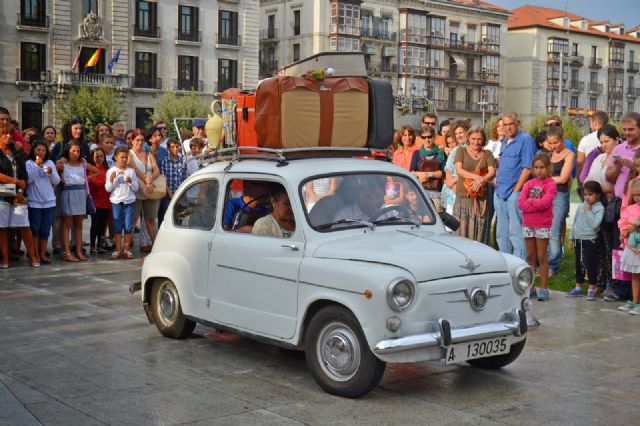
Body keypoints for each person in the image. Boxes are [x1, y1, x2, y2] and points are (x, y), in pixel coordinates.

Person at [494, 112, 537, 260]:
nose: (508, 128)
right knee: (501, 232)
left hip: (515, 193)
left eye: (510, 124)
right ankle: (505, 262)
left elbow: (528, 168)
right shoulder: (505, 141)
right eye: (504, 125)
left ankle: (519, 264)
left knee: (516, 231)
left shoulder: (526, 140)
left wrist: (516, 191)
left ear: (517, 123)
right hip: (500, 192)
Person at [518, 152, 557, 301]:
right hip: (528, 224)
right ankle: (531, 286)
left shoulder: (551, 185)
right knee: (531, 256)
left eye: (542, 167)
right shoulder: (528, 184)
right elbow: (521, 203)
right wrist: (534, 203)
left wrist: (531, 202)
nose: (539, 170)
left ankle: (544, 288)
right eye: (536, 167)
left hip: (542, 224)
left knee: (541, 256)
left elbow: (545, 203)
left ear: (548, 168)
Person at [0, 123, 39, 268]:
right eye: (4, 133)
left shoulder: (16, 153)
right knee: (2, 227)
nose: (8, 136)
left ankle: (33, 257)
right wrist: (15, 181)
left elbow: (24, 171)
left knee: (23, 224)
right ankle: (4, 258)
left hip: (19, 192)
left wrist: (22, 183)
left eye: (10, 133)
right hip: (2, 193)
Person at [56, 141, 99, 262]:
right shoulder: (63, 164)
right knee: (67, 224)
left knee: (79, 224)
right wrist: (61, 179)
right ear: (67, 152)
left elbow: (97, 171)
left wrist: (84, 179)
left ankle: (79, 251)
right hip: (68, 192)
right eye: (73, 151)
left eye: (78, 151)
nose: (76, 153)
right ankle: (66, 252)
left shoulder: (83, 163)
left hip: (81, 193)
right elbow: (52, 171)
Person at [453, 126, 496, 242]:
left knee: (479, 234)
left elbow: (492, 172)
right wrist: (477, 177)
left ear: (483, 140)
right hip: (463, 199)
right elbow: (460, 170)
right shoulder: (461, 151)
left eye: (479, 139)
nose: (476, 142)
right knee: (461, 234)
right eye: (473, 138)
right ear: (468, 138)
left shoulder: (487, 154)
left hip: (481, 200)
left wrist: (482, 180)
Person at [566, 181, 605, 300]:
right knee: (579, 264)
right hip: (579, 239)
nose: (587, 197)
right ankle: (578, 287)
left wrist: (588, 211)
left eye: (590, 194)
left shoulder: (600, 208)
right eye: (585, 194)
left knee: (590, 264)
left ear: (597, 195)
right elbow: (575, 222)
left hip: (590, 240)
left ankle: (592, 288)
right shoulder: (581, 206)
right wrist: (571, 238)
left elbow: (595, 225)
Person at [26, 139, 60, 265]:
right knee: (35, 229)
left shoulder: (50, 163)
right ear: (33, 151)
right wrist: (36, 165)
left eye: (43, 150)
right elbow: (28, 180)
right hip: (34, 201)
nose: (41, 152)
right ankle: (34, 254)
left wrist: (51, 173)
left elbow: (56, 181)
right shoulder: (29, 163)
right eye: (38, 150)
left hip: (49, 202)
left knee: (45, 230)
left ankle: (42, 254)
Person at [547, 125, 576, 276]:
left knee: (554, 231)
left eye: (556, 143)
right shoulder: (548, 155)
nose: (553, 146)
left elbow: (564, 178)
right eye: (550, 143)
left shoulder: (569, 155)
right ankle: (546, 261)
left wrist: (544, 179)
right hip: (546, 195)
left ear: (562, 139)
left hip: (559, 196)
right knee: (544, 230)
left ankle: (553, 265)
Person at [128, 129, 161, 251]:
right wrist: (147, 180)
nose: (140, 142)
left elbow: (156, 169)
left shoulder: (148, 154)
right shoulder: (129, 154)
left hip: (150, 189)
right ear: (132, 141)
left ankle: (157, 246)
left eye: (142, 140)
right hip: (136, 190)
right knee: (132, 220)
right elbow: (134, 169)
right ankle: (126, 247)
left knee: (151, 219)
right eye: (137, 140)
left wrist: (151, 178)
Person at [105, 147, 139, 259]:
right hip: (116, 201)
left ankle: (126, 250)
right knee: (117, 226)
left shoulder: (131, 171)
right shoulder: (111, 171)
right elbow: (108, 189)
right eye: (122, 157)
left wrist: (130, 182)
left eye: (126, 157)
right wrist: (111, 180)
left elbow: (136, 188)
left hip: (129, 201)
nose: (124, 160)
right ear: (116, 158)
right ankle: (118, 250)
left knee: (128, 225)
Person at [618, 179, 640, 315]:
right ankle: (635, 301)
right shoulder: (629, 209)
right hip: (632, 249)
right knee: (634, 276)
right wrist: (624, 232)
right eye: (636, 194)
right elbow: (623, 223)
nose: (638, 197)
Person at [410, 125, 445, 210]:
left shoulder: (440, 153)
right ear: (421, 138)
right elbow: (411, 171)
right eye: (424, 137)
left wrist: (429, 174)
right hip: (420, 193)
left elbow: (443, 172)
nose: (427, 139)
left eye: (429, 137)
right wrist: (421, 174)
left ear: (434, 137)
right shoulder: (416, 153)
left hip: (436, 194)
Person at [442, 120, 470, 214]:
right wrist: (457, 192)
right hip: (455, 194)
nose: (459, 135)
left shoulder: (474, 149)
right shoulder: (455, 151)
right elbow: (449, 177)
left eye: (461, 132)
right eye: (456, 133)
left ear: (467, 132)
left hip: (469, 194)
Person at [159, 139, 188, 227]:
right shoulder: (165, 161)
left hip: (180, 194)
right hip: (168, 195)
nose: (175, 149)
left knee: (179, 217)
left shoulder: (183, 161)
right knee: (165, 216)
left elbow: (184, 179)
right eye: (172, 147)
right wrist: (170, 194)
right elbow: (163, 180)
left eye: (177, 147)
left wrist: (179, 194)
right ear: (168, 148)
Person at [583, 124, 619, 196]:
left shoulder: (621, 159)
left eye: (606, 141)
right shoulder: (599, 158)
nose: (604, 145)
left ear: (617, 140)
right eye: (601, 142)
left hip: (613, 201)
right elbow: (588, 179)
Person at [88, 148, 111, 255]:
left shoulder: (107, 169)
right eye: (96, 156)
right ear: (92, 157)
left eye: (101, 156)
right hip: (95, 202)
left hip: (106, 201)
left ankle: (100, 245)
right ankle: (92, 246)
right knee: (95, 224)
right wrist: (107, 182)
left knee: (102, 225)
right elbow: (96, 183)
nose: (99, 158)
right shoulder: (91, 170)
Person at [577, 110, 608, 184]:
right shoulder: (613, 137)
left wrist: (580, 183)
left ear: (595, 123)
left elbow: (580, 163)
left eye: (590, 122)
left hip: (589, 180)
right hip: (607, 179)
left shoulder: (586, 139)